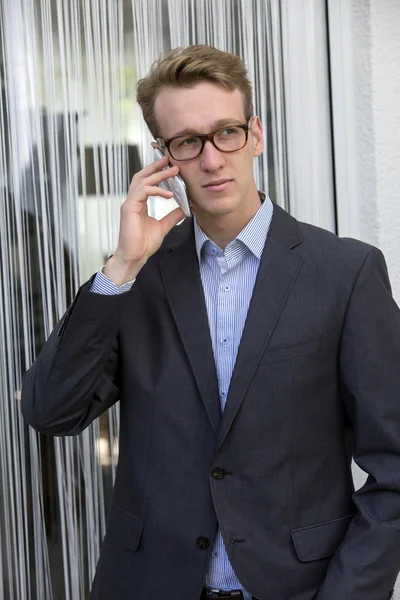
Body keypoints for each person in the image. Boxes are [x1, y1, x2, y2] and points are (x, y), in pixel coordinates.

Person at [21, 45, 400, 600]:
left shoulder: (346, 274)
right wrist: (121, 266)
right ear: (164, 157)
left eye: (226, 132)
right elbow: (51, 410)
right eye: (187, 142)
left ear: (256, 134)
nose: (213, 159)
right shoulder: (137, 279)